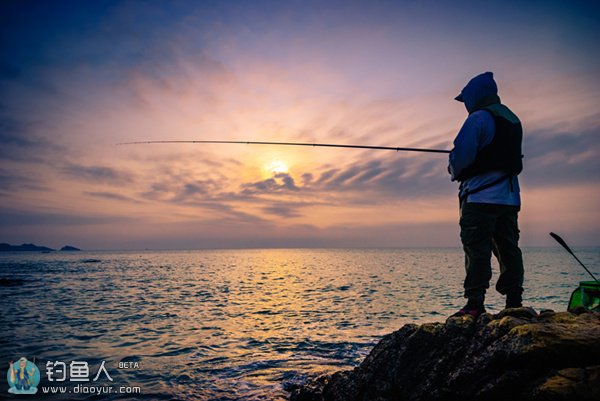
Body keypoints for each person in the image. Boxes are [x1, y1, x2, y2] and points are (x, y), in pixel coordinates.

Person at [448, 72, 524, 318]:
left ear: (474, 96)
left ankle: (475, 304)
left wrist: (452, 166)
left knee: (477, 249)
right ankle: (514, 302)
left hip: (479, 198)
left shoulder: (478, 119)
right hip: (510, 198)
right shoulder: (512, 119)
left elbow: (461, 158)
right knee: (508, 248)